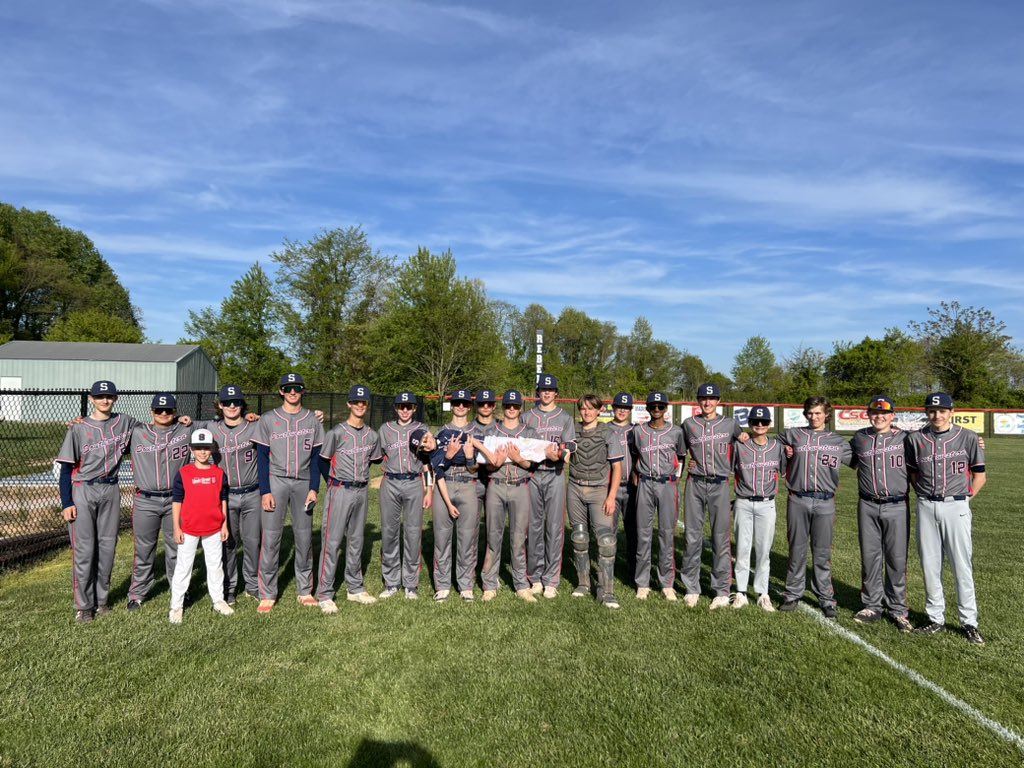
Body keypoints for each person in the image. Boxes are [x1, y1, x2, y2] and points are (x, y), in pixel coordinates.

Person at [906, 392, 987, 645]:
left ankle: (969, 622)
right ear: (927, 413)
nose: (937, 415)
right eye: (932, 411)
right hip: (927, 505)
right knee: (930, 566)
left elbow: (980, 476)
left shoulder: (968, 437)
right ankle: (935, 619)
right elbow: (913, 475)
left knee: (961, 565)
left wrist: (964, 500)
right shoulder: (916, 439)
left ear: (952, 411)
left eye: (942, 411)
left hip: (957, 505)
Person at [56, 380, 136, 623]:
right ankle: (84, 606)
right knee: (84, 550)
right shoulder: (78, 428)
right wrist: (66, 502)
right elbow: (65, 469)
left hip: (110, 488)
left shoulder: (125, 422)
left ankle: (102, 601)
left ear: (115, 398)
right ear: (91, 398)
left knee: (107, 548)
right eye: (100, 396)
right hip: (83, 489)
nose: (105, 400)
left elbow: (156, 429)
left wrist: (183, 421)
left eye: (109, 396)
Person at [252, 372, 325, 614]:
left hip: (303, 480)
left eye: (297, 388)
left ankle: (305, 590)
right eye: (288, 388)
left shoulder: (312, 420)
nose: (292, 392)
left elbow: (316, 459)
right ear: (281, 391)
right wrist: (265, 491)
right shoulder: (268, 419)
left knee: (304, 538)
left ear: (302, 391)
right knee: (271, 538)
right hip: (277, 480)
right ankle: (268, 593)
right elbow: (262, 459)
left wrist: (315, 488)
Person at [778, 396, 852, 618]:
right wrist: (786, 451)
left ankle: (826, 597)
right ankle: (792, 593)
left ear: (827, 415)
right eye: (810, 413)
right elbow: (771, 444)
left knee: (822, 552)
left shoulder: (838, 441)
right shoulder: (793, 435)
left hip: (825, 500)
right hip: (798, 498)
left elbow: (863, 460)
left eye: (818, 413)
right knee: (796, 549)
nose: (814, 417)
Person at [849, 396, 914, 632]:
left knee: (897, 559)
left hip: (897, 504)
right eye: (875, 413)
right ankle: (872, 605)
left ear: (892, 415)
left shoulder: (906, 438)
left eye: (884, 413)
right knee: (870, 556)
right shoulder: (860, 438)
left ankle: (898, 609)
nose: (879, 416)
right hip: (867, 504)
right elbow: (845, 457)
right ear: (868, 414)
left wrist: (976, 443)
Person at [680, 383, 748, 609]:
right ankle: (692, 587)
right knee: (692, 536)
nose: (707, 403)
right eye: (703, 399)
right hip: (695, 483)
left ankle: (721, 590)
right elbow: (678, 450)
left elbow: (747, 445)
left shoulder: (730, 424)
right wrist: (685, 464)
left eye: (712, 399)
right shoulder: (689, 424)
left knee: (721, 538)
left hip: (720, 483)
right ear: (698, 401)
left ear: (719, 400)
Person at [316, 385, 383, 612]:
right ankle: (325, 593)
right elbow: (322, 460)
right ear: (349, 404)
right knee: (332, 542)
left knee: (356, 541)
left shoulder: (372, 435)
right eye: (356, 402)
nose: (360, 406)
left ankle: (355, 588)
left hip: (361, 489)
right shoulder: (336, 432)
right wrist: (333, 483)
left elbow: (375, 460)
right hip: (340, 489)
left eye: (363, 402)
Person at [193, 384, 262, 605]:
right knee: (228, 543)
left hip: (252, 492)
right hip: (225, 495)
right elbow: (182, 424)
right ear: (220, 405)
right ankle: (229, 587)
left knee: (252, 542)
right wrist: (180, 419)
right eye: (228, 402)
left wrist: (316, 415)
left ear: (243, 405)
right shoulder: (210, 427)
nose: (232, 406)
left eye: (237, 402)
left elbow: (280, 424)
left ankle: (252, 585)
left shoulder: (255, 425)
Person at [125, 393, 193, 612]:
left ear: (175, 412)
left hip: (176, 499)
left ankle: (180, 591)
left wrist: (250, 417)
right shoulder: (137, 432)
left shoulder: (185, 430)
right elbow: (107, 431)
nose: (164, 414)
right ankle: (137, 594)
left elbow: (220, 424)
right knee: (144, 550)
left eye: (169, 410)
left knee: (176, 548)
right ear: (151, 412)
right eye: (159, 410)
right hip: (146, 499)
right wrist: (79, 422)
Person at [481, 390, 544, 603]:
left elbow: (532, 464)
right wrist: (495, 461)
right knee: (493, 536)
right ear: (503, 407)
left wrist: (518, 459)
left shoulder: (530, 432)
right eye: (508, 405)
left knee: (518, 538)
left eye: (515, 406)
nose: (511, 409)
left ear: (520, 408)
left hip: (519, 485)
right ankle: (489, 583)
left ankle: (520, 585)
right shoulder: (492, 431)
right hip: (496, 484)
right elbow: (486, 464)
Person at [168, 429, 233, 624]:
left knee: (215, 566)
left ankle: (218, 600)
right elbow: (177, 502)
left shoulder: (219, 473)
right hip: (189, 528)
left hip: (213, 527)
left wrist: (224, 525)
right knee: (183, 567)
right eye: (198, 448)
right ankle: (176, 605)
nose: (202, 452)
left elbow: (223, 500)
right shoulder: (183, 473)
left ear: (212, 449)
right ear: (191, 450)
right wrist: (177, 527)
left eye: (206, 448)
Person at [567, 394, 623, 608]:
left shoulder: (608, 432)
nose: (587, 412)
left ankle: (606, 590)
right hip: (575, 487)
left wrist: (611, 495)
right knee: (579, 537)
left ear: (599, 411)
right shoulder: (572, 429)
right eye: (583, 409)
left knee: (606, 540)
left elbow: (617, 467)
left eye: (592, 409)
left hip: (599, 489)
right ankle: (583, 583)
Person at [628, 392, 686, 601]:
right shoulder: (638, 431)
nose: (657, 410)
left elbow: (681, 456)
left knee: (666, 534)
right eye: (653, 406)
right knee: (643, 533)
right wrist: (636, 473)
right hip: (645, 482)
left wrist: (675, 478)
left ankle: (667, 583)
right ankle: (642, 583)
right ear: (648, 408)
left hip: (667, 483)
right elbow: (634, 454)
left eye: (660, 406)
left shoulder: (676, 432)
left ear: (666, 409)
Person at [523, 373, 575, 598]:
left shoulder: (565, 417)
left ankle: (551, 579)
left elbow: (570, 446)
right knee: (533, 527)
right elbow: (522, 446)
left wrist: (559, 453)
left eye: (550, 390)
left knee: (554, 527)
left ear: (556, 393)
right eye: (542, 390)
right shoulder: (527, 417)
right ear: (538, 392)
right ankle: (535, 577)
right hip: (532, 475)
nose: (546, 393)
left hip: (555, 475)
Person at [731, 405, 786, 612]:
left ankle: (763, 593)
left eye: (763, 422)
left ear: (769, 424)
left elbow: (783, 470)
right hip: (743, 502)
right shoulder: (740, 445)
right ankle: (741, 592)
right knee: (742, 548)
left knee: (764, 550)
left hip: (766, 502)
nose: (760, 425)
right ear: (750, 424)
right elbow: (730, 468)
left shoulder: (778, 447)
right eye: (755, 422)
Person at [377, 392, 430, 600]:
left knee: (413, 532)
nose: (405, 410)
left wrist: (429, 488)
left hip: (414, 481)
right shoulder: (385, 429)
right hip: (390, 481)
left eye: (409, 406)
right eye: (401, 406)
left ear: (415, 408)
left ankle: (410, 583)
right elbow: (377, 455)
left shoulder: (422, 429)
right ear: (396, 407)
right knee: (389, 532)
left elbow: (428, 461)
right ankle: (391, 582)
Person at [430, 389, 482, 602]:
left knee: (467, 537)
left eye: (464, 403)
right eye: (457, 403)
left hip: (468, 483)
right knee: (442, 536)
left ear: (470, 407)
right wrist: (449, 456)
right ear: (452, 405)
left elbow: (477, 468)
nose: (461, 407)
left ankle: (466, 584)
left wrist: (470, 459)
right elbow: (436, 466)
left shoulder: (476, 431)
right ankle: (442, 585)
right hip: (445, 483)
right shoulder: (441, 431)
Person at [606, 393, 637, 580]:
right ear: (613, 408)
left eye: (626, 408)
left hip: (632, 487)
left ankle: (633, 569)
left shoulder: (637, 430)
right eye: (619, 407)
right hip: (611, 487)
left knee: (633, 530)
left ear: (630, 410)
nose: (622, 411)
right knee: (609, 531)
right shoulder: (605, 429)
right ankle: (608, 568)